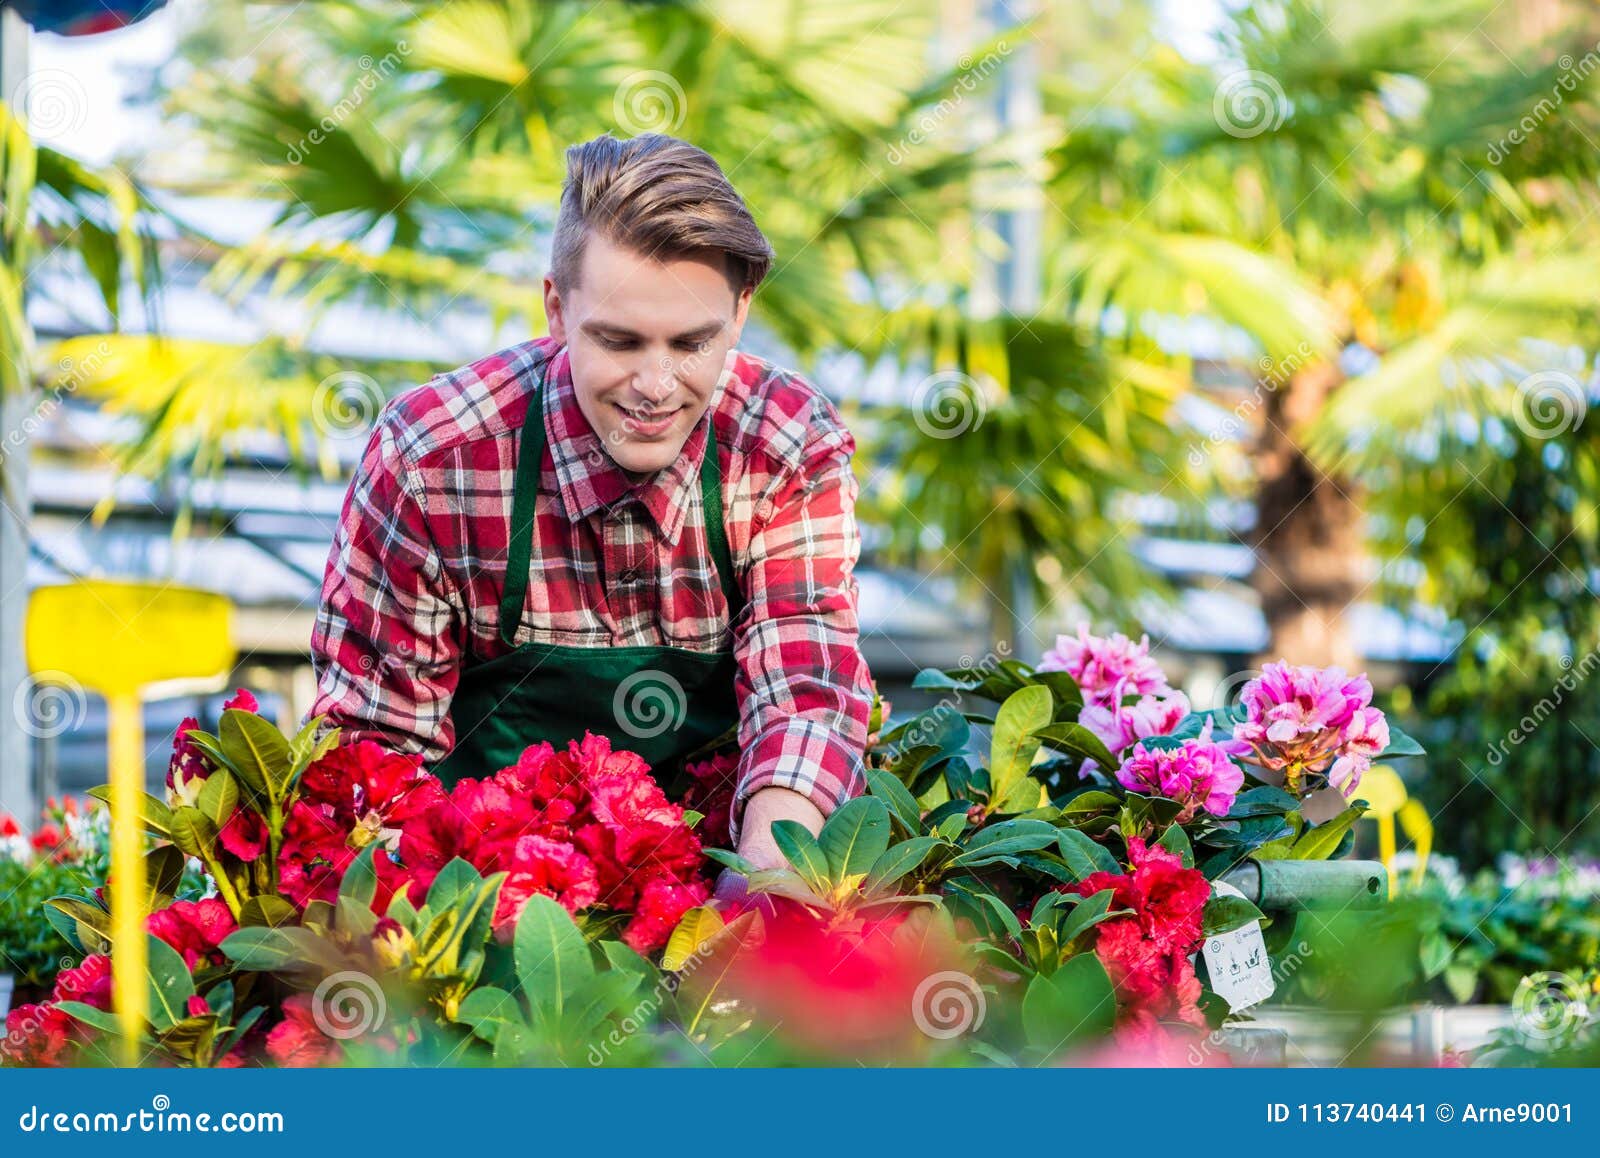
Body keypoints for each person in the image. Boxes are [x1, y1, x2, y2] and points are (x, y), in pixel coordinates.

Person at [307, 131, 872, 873]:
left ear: (739, 313)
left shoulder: (783, 446)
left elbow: (804, 693)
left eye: (692, 343)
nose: (656, 385)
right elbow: (375, 747)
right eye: (620, 341)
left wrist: (767, 877)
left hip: (717, 882)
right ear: (555, 309)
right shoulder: (432, 458)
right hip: (476, 897)